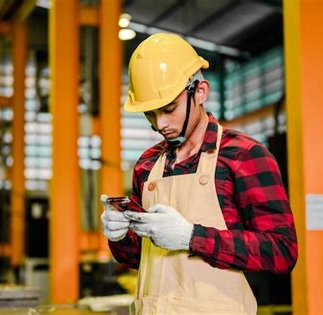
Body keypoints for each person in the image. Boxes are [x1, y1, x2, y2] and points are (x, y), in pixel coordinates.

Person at [100, 33, 297, 314]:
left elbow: (282, 251)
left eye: (169, 108)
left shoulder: (243, 156)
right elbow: (136, 259)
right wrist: (119, 235)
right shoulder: (147, 165)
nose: (161, 124)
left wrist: (190, 236)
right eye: (150, 114)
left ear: (200, 91)